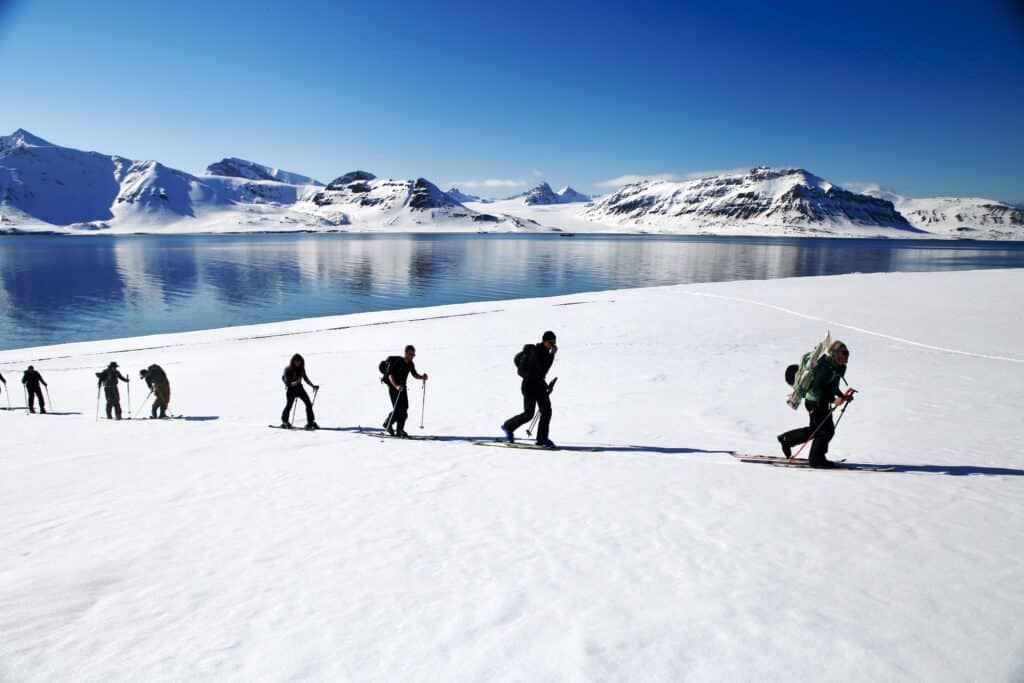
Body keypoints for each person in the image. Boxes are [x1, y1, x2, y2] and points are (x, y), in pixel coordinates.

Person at [778, 340, 856, 468]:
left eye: (848, 353)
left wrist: (842, 396)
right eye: (845, 353)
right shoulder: (825, 366)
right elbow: (817, 388)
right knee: (821, 431)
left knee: (825, 430)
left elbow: (832, 386)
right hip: (814, 401)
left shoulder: (838, 366)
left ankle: (789, 441)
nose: (847, 356)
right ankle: (815, 459)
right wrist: (833, 399)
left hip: (822, 401)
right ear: (836, 353)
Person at [502, 330, 558, 447]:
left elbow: (541, 374)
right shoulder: (536, 352)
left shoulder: (545, 352)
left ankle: (542, 438)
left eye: (554, 342)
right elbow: (542, 369)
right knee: (529, 414)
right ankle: (508, 426)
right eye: (550, 342)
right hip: (529, 386)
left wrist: (546, 386)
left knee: (546, 410)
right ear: (544, 341)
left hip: (539, 384)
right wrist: (552, 355)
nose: (553, 345)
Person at [382, 345, 428, 437]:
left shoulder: (410, 363)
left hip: (402, 387)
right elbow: (390, 375)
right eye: (411, 354)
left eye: (414, 354)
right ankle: (389, 423)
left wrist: (422, 377)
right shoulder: (398, 362)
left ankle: (399, 429)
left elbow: (414, 374)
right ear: (406, 353)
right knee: (398, 408)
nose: (413, 356)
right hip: (393, 387)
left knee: (404, 408)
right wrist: (396, 386)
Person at [281, 353, 319, 429]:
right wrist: (292, 383)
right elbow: (285, 380)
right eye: (296, 361)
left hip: (300, 389)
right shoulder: (288, 369)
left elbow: (305, 378)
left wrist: (312, 386)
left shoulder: (301, 369)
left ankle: (310, 422)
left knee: (308, 404)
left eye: (299, 361)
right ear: (293, 361)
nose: (298, 363)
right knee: (289, 406)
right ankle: (285, 421)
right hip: (291, 390)